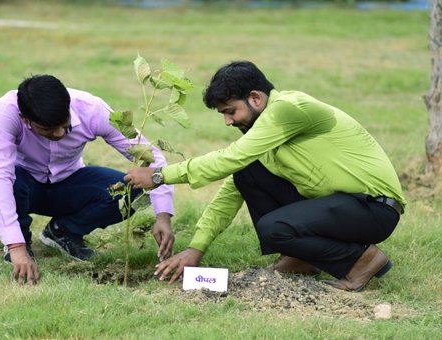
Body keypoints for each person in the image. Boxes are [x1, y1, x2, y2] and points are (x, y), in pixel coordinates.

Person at [124, 61, 406, 292]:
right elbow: (232, 190)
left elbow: (230, 157)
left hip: (374, 208)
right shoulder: (263, 133)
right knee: (247, 174)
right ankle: (301, 259)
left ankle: (362, 261)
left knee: (274, 227)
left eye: (230, 111)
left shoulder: (288, 109)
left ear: (256, 98)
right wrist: (196, 248)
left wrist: (161, 175)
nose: (228, 121)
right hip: (341, 205)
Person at [0, 74, 175, 286]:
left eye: (64, 124)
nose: (60, 133)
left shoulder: (93, 109)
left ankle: (62, 232)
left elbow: (150, 158)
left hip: (68, 184)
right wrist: (16, 247)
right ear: (26, 120)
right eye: (48, 129)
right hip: (23, 185)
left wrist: (163, 216)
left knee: (130, 190)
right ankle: (22, 242)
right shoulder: (6, 112)